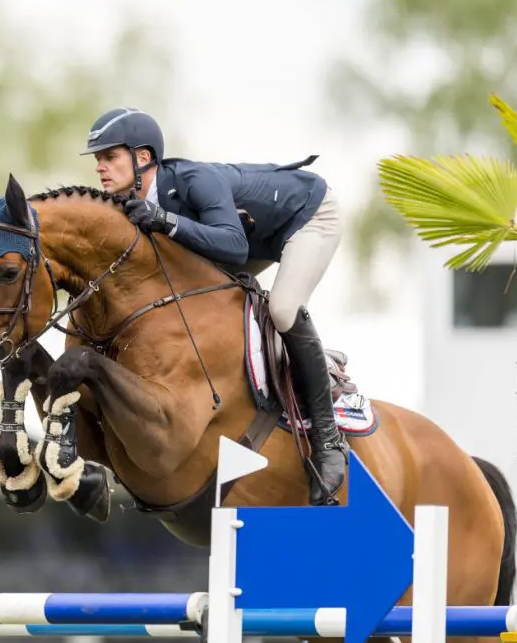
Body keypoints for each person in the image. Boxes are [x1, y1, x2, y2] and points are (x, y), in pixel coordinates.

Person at [79, 107, 347, 506]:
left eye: (109, 157)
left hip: (308, 216)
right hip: (257, 236)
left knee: (283, 308)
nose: (100, 167)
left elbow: (234, 247)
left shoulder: (192, 180)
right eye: (98, 160)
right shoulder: (134, 200)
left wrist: (165, 220)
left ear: (143, 158)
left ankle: (327, 440)